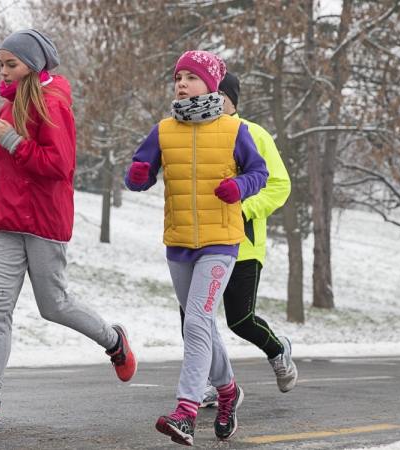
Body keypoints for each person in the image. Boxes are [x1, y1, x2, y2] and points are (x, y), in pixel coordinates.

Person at [0, 29, 137, 423]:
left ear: (32, 66)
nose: (4, 71)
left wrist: (14, 143)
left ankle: (114, 340)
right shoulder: (8, 107)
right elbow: (17, 168)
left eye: (11, 64)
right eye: (0, 64)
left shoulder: (53, 105)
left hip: (44, 222)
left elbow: (60, 166)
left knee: (54, 306)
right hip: (6, 220)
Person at [126, 50, 268, 446]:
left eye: (190, 77)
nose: (182, 83)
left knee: (195, 323)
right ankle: (228, 392)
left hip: (221, 242)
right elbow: (139, 174)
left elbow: (260, 173)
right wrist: (137, 175)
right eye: (178, 78)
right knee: (200, 322)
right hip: (179, 242)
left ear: (211, 85)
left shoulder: (233, 131)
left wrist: (239, 187)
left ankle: (186, 412)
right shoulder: (164, 130)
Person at [182, 71, 297, 408]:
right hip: (199, 244)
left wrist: (243, 209)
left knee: (239, 319)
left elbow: (279, 184)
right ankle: (210, 383)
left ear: (229, 98)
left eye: (217, 91)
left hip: (243, 245)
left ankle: (278, 351)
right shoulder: (194, 132)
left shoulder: (253, 133)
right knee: (194, 317)